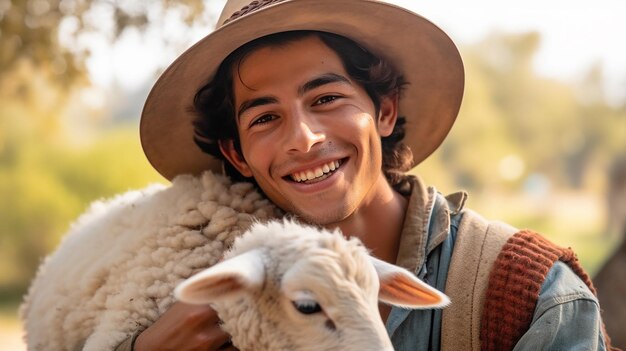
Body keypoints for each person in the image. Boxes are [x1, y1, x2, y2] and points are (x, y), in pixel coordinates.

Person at [119, 0, 613, 350]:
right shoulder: (215, 294)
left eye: (327, 99)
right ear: (238, 153)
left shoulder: (529, 292)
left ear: (385, 111)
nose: (304, 138)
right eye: (265, 118)